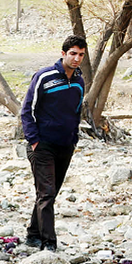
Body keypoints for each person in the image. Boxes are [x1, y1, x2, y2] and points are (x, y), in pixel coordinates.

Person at [19, 35, 87, 251]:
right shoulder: (44, 77)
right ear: (63, 53)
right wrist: (34, 141)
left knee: (48, 193)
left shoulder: (79, 81)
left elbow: (76, 113)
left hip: (65, 145)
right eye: (73, 54)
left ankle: (32, 234)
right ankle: (49, 244)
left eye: (81, 55)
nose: (77, 59)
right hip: (43, 145)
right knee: (46, 194)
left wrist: (73, 140)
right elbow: (27, 110)